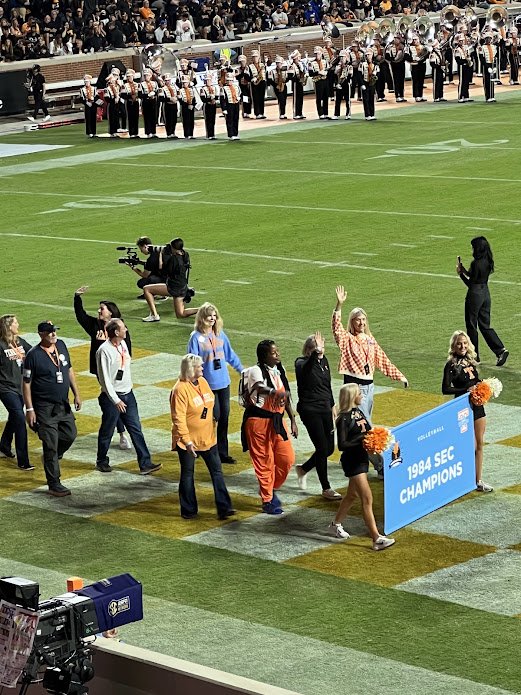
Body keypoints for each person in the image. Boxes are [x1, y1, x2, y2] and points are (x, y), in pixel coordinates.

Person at [328, 383, 396, 550]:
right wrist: (362, 438)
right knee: (367, 499)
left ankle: (335, 524)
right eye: (359, 393)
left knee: (351, 495)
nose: (362, 396)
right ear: (352, 397)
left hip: (362, 458)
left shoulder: (358, 412)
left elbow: (367, 431)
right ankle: (376, 539)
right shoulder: (343, 419)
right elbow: (342, 445)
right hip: (353, 461)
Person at [170, 353, 234, 520]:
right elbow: (178, 419)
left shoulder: (203, 382)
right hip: (187, 442)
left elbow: (210, 404)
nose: (202, 368)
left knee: (217, 471)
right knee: (188, 474)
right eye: (199, 366)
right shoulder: (180, 390)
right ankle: (188, 510)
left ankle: (225, 507)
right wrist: (187, 441)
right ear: (191, 369)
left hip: (208, 437)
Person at [95, 318, 161, 475]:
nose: (126, 329)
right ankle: (101, 461)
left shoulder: (122, 344)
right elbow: (104, 379)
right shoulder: (104, 351)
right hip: (112, 398)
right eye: (124, 328)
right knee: (108, 430)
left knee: (136, 428)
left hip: (128, 394)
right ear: (116, 332)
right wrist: (116, 400)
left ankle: (145, 463)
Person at [23, 322, 81, 497]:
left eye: (54, 331)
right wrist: (30, 409)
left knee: (70, 434)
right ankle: (54, 483)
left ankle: (53, 457)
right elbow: (26, 384)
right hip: (44, 407)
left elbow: (69, 370)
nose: (53, 334)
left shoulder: (61, 345)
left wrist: (76, 393)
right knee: (50, 444)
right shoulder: (33, 355)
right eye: (49, 332)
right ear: (41, 334)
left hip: (63, 404)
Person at [332, 285, 408, 421]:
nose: (361, 323)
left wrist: (399, 376)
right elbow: (337, 329)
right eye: (358, 320)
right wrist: (339, 305)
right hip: (354, 386)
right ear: (352, 322)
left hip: (369, 386)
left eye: (363, 319)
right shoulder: (348, 339)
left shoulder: (370, 340)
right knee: (361, 421)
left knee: (366, 420)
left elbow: (383, 360)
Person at [241, 340, 297, 514]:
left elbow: (285, 396)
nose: (278, 355)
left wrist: (292, 419)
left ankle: (270, 488)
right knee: (264, 461)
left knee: (287, 459)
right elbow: (258, 387)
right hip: (258, 422)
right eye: (274, 353)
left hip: (277, 421)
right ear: (265, 356)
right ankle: (267, 499)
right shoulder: (255, 371)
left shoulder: (279, 370)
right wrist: (274, 392)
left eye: (277, 351)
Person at [73, 286, 132, 450]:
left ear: (111, 313)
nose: (99, 311)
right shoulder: (95, 325)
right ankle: (122, 433)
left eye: (102, 309)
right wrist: (77, 297)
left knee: (113, 400)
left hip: (120, 371)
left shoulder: (121, 327)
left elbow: (128, 349)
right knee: (113, 399)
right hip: (103, 371)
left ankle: (122, 432)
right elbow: (80, 316)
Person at [187, 303, 243, 465]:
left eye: (214, 315)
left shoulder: (220, 334)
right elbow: (193, 360)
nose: (212, 319)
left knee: (224, 417)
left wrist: (241, 370)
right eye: (209, 315)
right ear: (202, 317)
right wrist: (195, 382)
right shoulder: (195, 337)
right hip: (207, 385)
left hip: (223, 382)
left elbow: (230, 354)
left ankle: (222, 453)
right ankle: (205, 448)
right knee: (213, 418)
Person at [442, 331, 493, 492]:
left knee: (479, 444)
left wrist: (483, 386)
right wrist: (466, 390)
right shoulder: (451, 365)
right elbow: (445, 388)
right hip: (462, 407)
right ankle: (461, 480)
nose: (462, 346)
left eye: (464, 343)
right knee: (465, 445)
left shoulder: (471, 361)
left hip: (478, 406)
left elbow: (475, 380)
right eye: (459, 343)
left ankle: (478, 480)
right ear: (454, 346)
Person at [294, 331, 340, 500]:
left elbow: (327, 384)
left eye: (321, 347)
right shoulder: (301, 363)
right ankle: (326, 488)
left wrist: (333, 403)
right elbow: (306, 372)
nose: (320, 350)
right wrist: (315, 354)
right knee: (322, 448)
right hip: (310, 410)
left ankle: (304, 468)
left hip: (325, 408)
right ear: (308, 350)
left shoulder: (324, 362)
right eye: (315, 348)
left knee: (328, 448)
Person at [457, 237, 508, 366]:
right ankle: (500, 350)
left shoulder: (476, 263)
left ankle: (474, 356)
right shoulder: (487, 261)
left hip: (475, 295)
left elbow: (471, 283)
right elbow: (477, 278)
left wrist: (461, 274)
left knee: (472, 325)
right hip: (485, 293)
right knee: (485, 325)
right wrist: (465, 271)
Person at [0, 315, 34, 470]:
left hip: (20, 387)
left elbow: (34, 352)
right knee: (20, 420)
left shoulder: (19, 341)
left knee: (15, 417)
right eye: (15, 322)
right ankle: (23, 461)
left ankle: (4, 445)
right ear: (8, 326)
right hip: (6, 388)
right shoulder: (0, 345)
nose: (18, 324)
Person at [142, 238, 199, 322]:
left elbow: (162, 270)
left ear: (173, 248)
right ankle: (203, 309)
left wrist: (161, 255)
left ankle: (154, 315)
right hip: (182, 286)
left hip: (173, 287)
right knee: (180, 314)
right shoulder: (185, 255)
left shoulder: (174, 260)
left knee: (146, 289)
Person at [220, 72, 241, 140]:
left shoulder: (236, 87)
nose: (229, 82)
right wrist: (224, 109)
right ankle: (231, 134)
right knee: (230, 120)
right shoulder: (223, 88)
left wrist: (239, 98)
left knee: (236, 119)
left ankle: (235, 133)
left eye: (231, 80)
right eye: (228, 80)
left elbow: (240, 94)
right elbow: (222, 100)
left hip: (236, 104)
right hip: (229, 105)